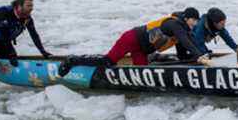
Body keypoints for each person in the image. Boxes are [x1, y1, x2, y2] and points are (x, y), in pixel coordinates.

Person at [58, 7, 204, 76]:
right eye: (194, 20)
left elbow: (185, 49)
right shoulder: (173, 24)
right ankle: (73, 60)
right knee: (108, 61)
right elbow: (186, 41)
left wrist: (200, 56)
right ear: (186, 18)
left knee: (142, 73)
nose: (196, 23)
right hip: (132, 38)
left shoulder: (183, 30)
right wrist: (198, 55)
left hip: (141, 49)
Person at [0, 0, 52, 95]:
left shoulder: (27, 19)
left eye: (32, 6)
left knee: (13, 62)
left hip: (3, 42)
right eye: (28, 6)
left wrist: (43, 51)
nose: (31, 8)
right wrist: (11, 53)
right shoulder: (4, 12)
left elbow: (34, 35)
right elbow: (3, 32)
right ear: (19, 6)